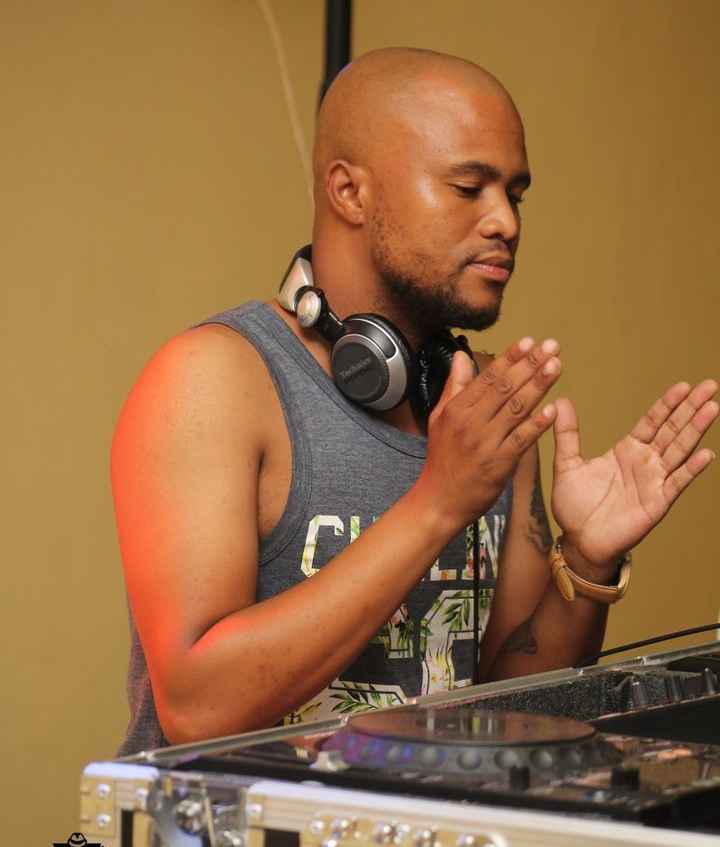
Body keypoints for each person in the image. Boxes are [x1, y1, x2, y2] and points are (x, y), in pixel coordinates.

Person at [111, 48, 718, 754]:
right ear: (350, 192)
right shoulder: (214, 380)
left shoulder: (484, 406)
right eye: (468, 188)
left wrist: (585, 560)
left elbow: (512, 703)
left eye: (515, 195)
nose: (506, 222)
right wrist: (439, 503)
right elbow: (197, 706)